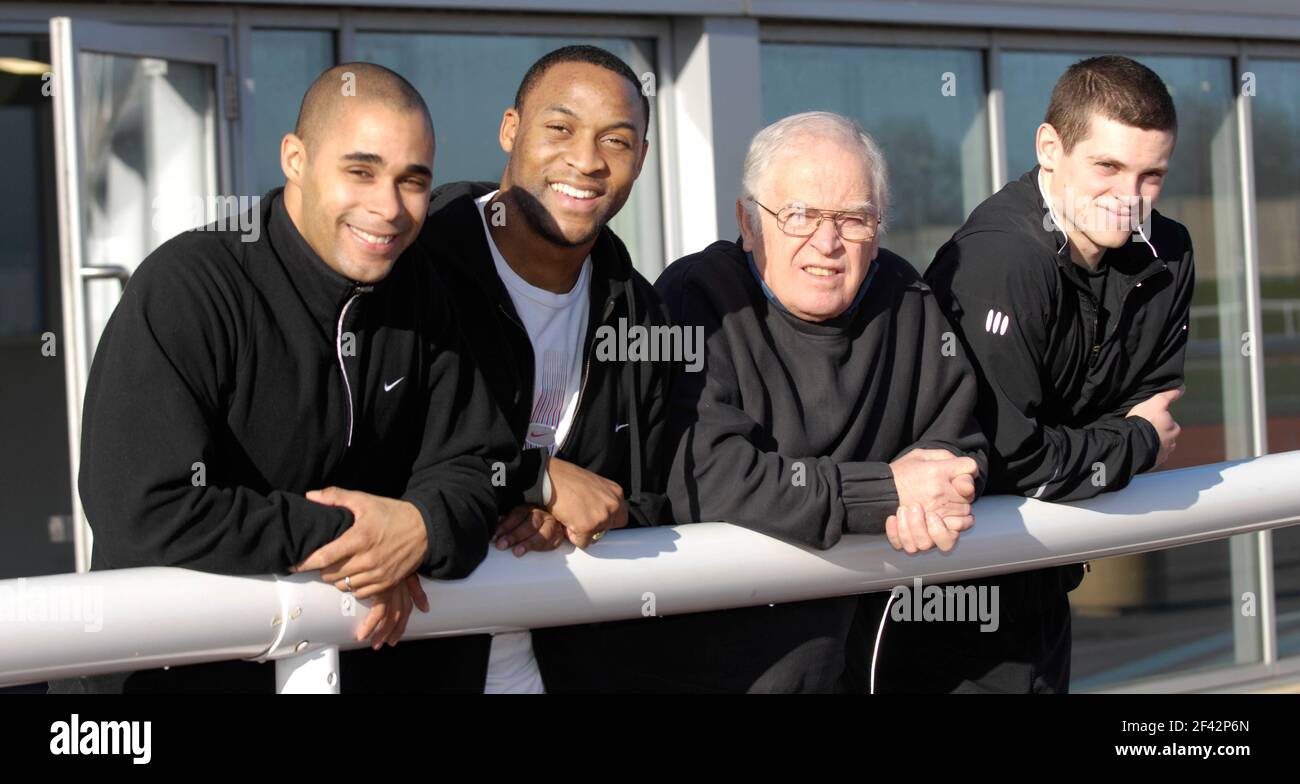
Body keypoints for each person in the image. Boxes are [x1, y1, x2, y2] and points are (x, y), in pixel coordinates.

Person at [50, 63, 517, 694]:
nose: (388, 207)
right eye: (361, 170)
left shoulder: (420, 289)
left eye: (413, 180)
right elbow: (144, 509)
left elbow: (475, 464)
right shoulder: (190, 285)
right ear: (295, 159)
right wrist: (362, 543)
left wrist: (420, 528)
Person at [601, 111, 987, 693]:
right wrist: (885, 492)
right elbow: (709, 477)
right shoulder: (698, 299)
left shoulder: (905, 299)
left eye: (853, 219)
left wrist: (928, 494)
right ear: (748, 221)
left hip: (857, 667)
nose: (827, 243)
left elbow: (959, 448)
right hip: (708, 671)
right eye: (799, 215)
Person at [890, 55, 1195, 693]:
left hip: (1048, 574)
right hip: (949, 592)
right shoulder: (1001, 259)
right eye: (1107, 167)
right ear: (1049, 148)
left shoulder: (1166, 251)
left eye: (1151, 176)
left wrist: (1095, 445)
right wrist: (1133, 443)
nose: (1128, 200)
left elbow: (1155, 397)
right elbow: (1007, 458)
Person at [414, 45, 673, 693]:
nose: (585, 161)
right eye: (559, 129)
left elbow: (665, 494)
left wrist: (604, 515)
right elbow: (352, 459)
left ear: (640, 159)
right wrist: (530, 480)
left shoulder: (638, 310)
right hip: (413, 656)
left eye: (615, 140)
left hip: (566, 664)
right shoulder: (414, 271)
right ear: (510, 129)